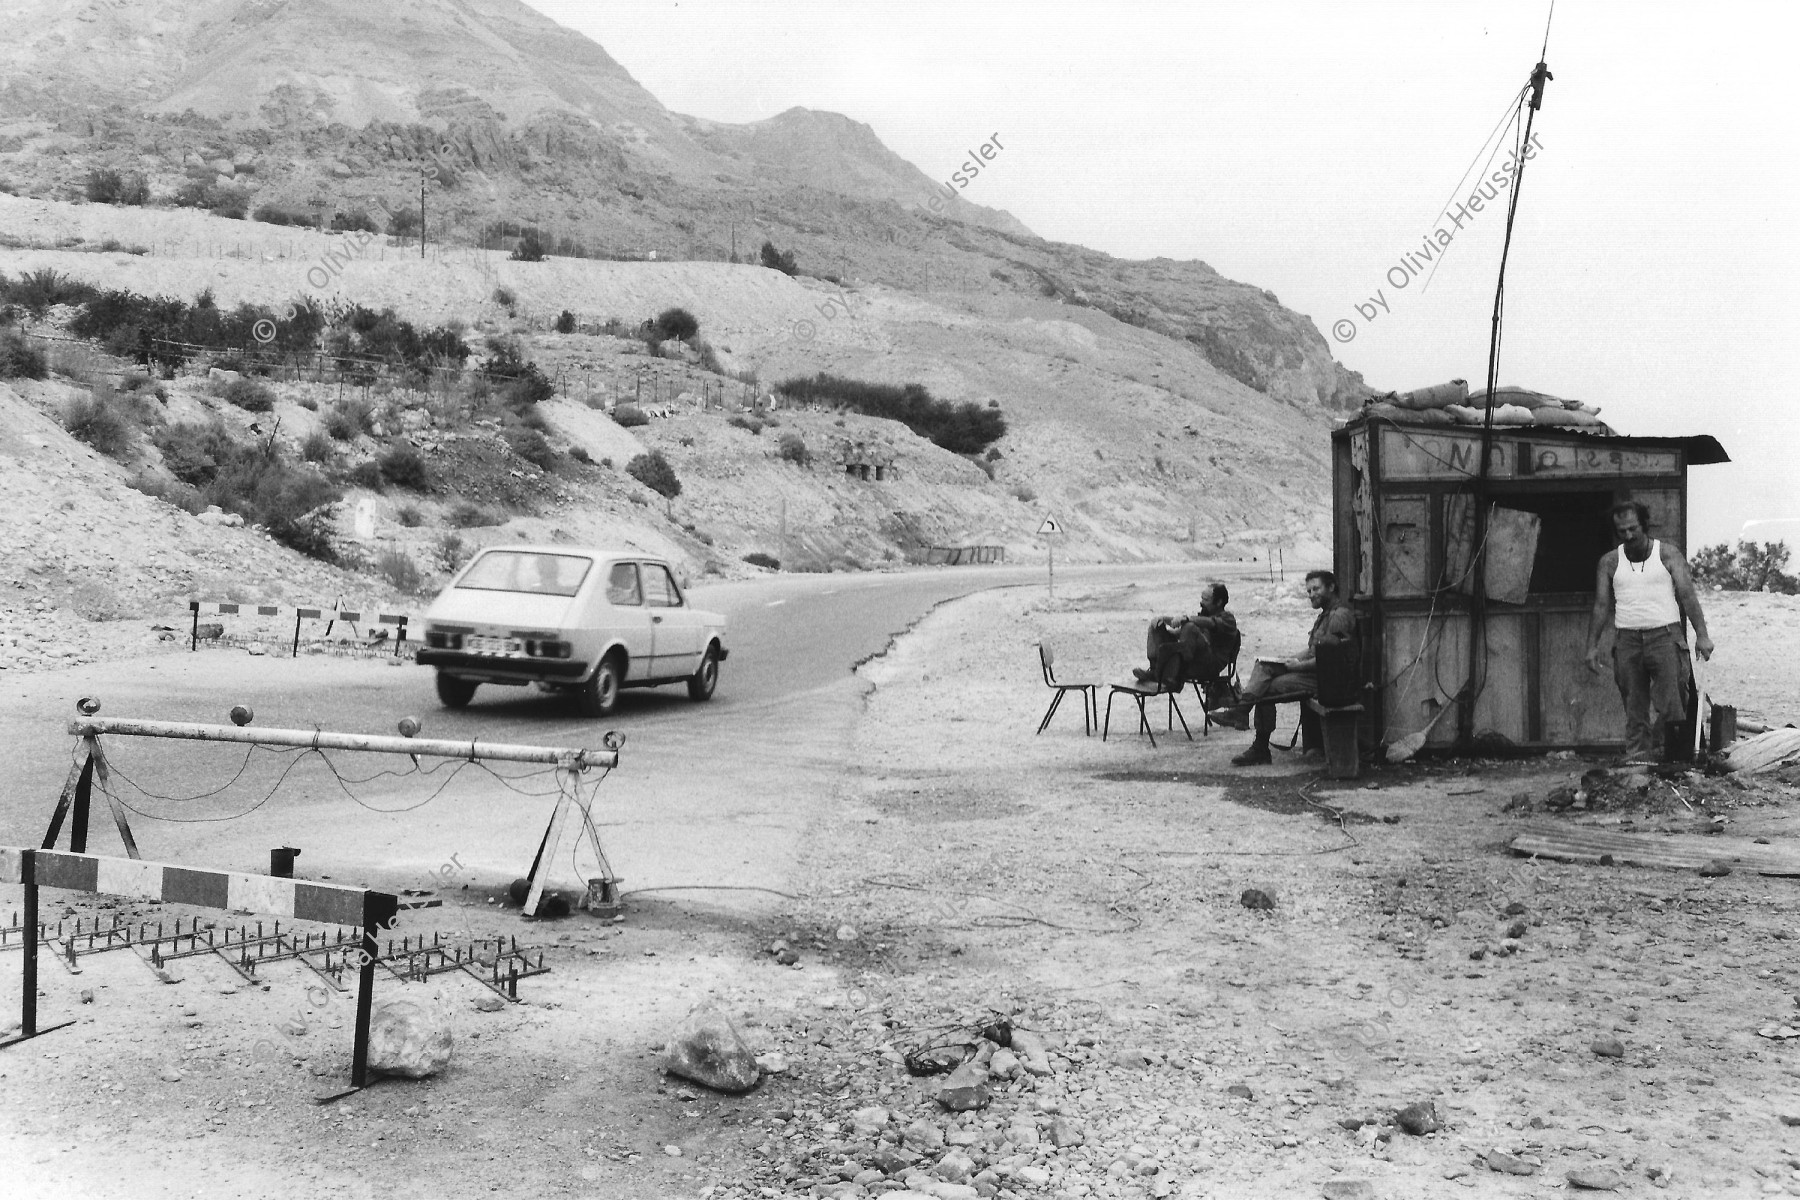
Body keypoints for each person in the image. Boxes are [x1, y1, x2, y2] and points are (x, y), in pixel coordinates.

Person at [1582, 500, 1713, 764]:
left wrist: (1702, 634)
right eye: (1622, 531)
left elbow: (1687, 594)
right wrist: (1591, 646)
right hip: (1627, 640)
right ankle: (1638, 765)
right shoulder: (1608, 562)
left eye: (1633, 529)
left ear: (1644, 525)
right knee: (1634, 708)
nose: (1629, 536)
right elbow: (1601, 605)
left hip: (1665, 637)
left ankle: (1675, 763)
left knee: (1672, 704)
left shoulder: (1668, 555)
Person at [1207, 569, 1356, 766]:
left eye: (1316, 589)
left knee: (1265, 687)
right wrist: (1288, 660)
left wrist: (1298, 667)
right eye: (1309, 591)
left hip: (1325, 681)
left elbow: (1331, 661)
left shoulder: (1338, 616)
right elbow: (1314, 651)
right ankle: (1243, 715)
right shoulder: (1326, 615)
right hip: (1314, 672)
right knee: (1264, 666)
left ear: (1331, 587)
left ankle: (1256, 739)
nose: (1311, 594)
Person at [1134, 582, 1239, 699]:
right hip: (1194, 659)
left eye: (1206, 600)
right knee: (1156, 626)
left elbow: (1211, 623)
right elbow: (1179, 633)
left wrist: (1188, 619)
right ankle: (1155, 670)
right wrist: (1164, 620)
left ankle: (1174, 676)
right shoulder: (1203, 617)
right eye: (1202, 598)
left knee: (1189, 627)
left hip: (1209, 666)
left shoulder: (1228, 619)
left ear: (1218, 602)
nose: (1201, 602)